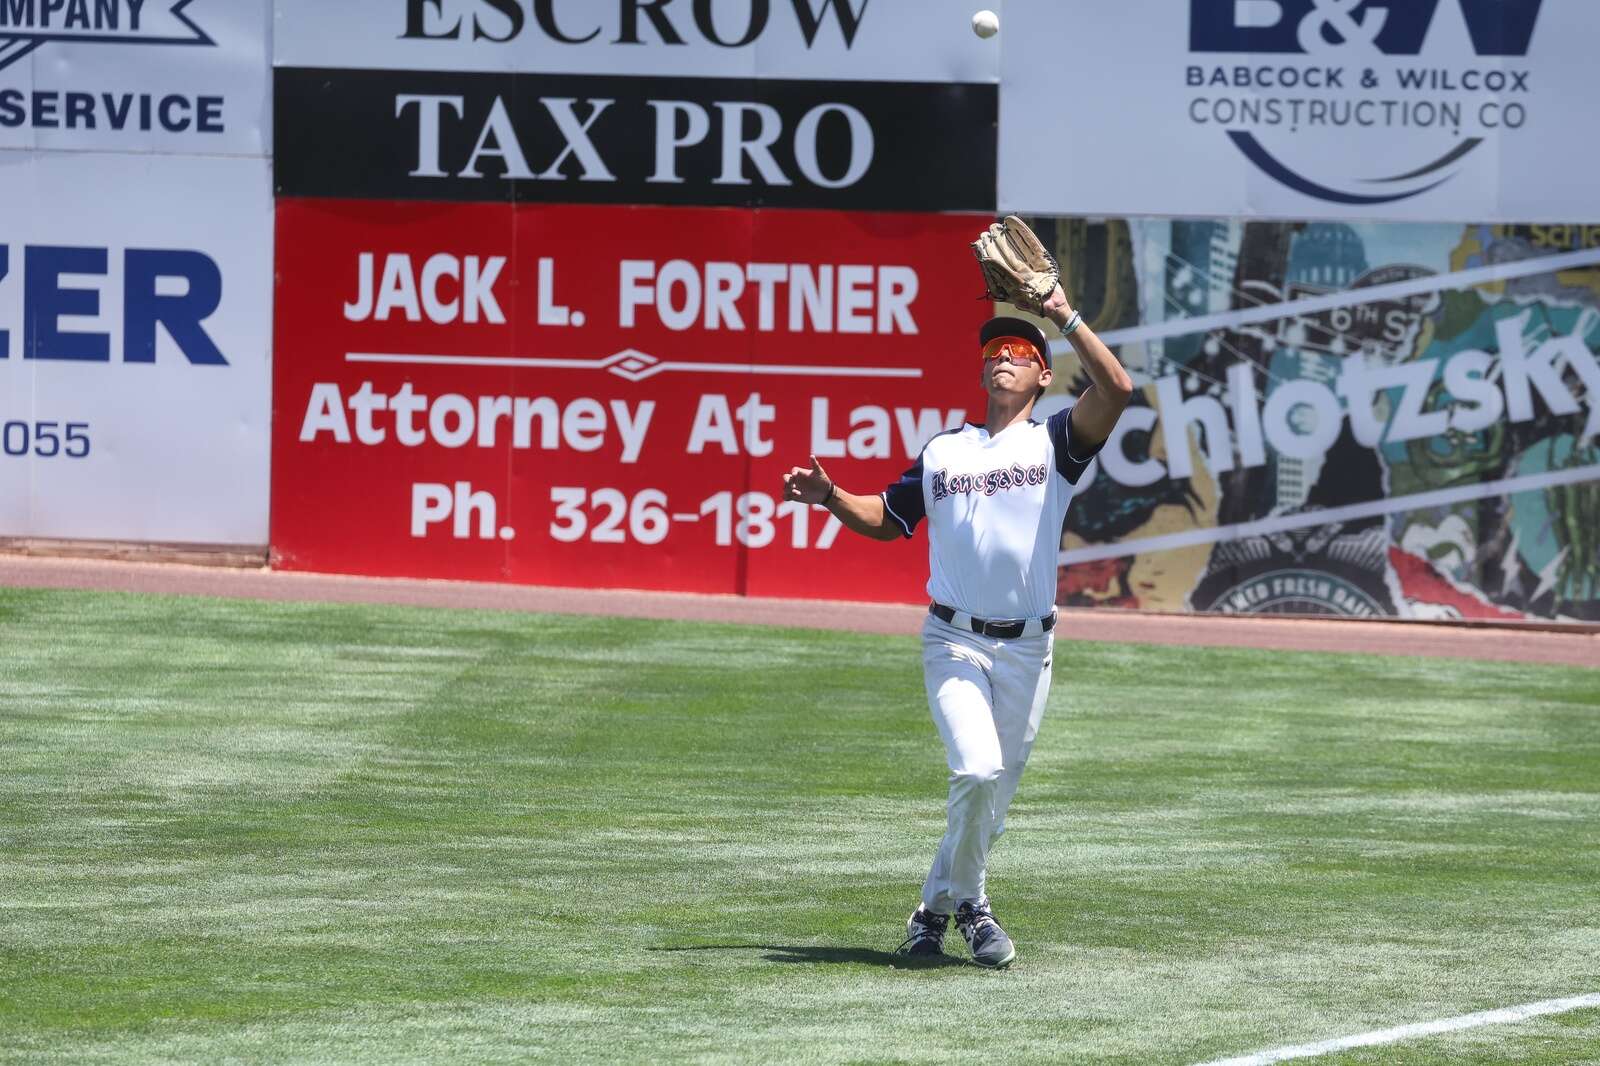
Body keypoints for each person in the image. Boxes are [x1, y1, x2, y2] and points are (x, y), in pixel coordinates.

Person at [781, 274, 1133, 967]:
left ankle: (930, 913)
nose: (1003, 355)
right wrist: (830, 496)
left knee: (989, 808)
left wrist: (1062, 312)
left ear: (1041, 376)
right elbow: (888, 518)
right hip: (953, 640)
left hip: (1028, 651)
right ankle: (975, 908)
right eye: (995, 349)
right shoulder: (945, 451)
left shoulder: (1056, 443)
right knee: (975, 772)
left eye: (1019, 351)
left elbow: (1117, 390)